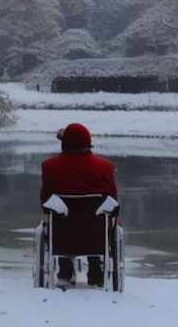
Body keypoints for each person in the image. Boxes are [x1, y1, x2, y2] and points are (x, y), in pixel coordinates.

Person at [40, 122, 118, 286]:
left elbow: (45, 200)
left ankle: (66, 270)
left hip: (63, 233)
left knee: (60, 216)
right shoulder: (105, 167)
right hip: (96, 233)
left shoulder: (49, 166)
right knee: (99, 218)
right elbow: (113, 199)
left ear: (64, 143)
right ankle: (96, 270)